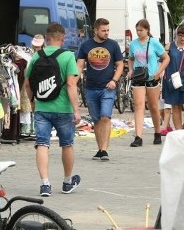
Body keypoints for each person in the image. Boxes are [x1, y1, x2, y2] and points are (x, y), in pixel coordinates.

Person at [23, 22, 81, 196]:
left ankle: (45, 184)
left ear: (46, 39)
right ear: (62, 38)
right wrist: (77, 110)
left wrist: (33, 101)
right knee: (67, 144)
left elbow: (27, 84)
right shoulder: (68, 56)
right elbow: (71, 84)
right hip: (63, 109)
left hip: (42, 107)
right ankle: (67, 182)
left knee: (42, 144)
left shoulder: (36, 56)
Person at [76, 18, 124, 161]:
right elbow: (79, 65)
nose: (106, 33)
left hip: (107, 87)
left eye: (108, 30)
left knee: (105, 116)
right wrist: (74, 80)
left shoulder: (113, 45)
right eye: (103, 30)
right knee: (96, 119)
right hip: (91, 88)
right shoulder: (86, 46)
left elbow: (120, 65)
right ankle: (99, 149)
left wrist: (114, 80)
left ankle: (104, 150)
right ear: (95, 30)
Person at [127, 19, 168, 147]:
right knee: (139, 105)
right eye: (137, 30)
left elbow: (166, 58)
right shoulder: (133, 44)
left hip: (152, 77)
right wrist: (130, 70)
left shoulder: (154, 42)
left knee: (153, 106)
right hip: (139, 77)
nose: (139, 33)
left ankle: (157, 132)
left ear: (147, 30)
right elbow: (130, 58)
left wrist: (159, 71)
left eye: (141, 30)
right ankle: (138, 136)